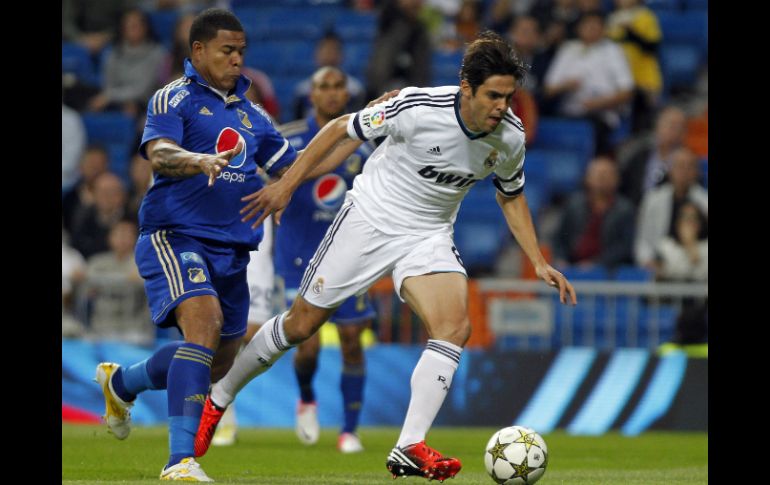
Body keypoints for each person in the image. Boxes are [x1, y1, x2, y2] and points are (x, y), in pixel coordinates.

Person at [195, 31, 577, 481]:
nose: (502, 106)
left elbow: (511, 195)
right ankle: (219, 396)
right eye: (493, 95)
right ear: (467, 89)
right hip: (370, 220)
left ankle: (408, 446)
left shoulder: (509, 137)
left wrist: (537, 260)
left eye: (509, 96)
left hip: (429, 234)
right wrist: (285, 185)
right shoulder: (417, 108)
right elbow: (340, 129)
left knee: (454, 327)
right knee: (301, 325)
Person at [93, 9, 299, 482]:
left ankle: (120, 383)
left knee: (212, 363)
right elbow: (160, 154)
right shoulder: (173, 98)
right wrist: (198, 159)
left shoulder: (253, 115)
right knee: (202, 327)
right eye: (228, 50)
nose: (237, 59)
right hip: (175, 234)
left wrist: (285, 186)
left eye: (242, 51)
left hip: (234, 249)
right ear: (199, 51)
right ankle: (179, 461)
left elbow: (290, 163)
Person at [278, 66, 377, 453]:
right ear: (311, 94)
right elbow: (260, 176)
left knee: (353, 340)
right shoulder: (287, 139)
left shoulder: (364, 145)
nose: (333, 93)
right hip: (298, 256)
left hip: (349, 256)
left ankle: (349, 430)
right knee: (307, 345)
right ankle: (306, 397)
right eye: (325, 87)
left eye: (339, 87)